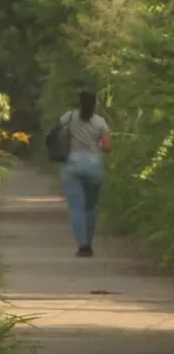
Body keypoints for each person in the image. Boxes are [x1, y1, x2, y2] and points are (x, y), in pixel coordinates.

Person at [60, 90, 112, 257]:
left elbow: (59, 134)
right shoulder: (100, 122)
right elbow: (107, 146)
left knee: (76, 208)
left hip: (73, 164)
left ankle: (83, 246)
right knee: (90, 207)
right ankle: (89, 242)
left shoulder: (69, 117)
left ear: (79, 102)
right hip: (94, 166)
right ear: (95, 104)